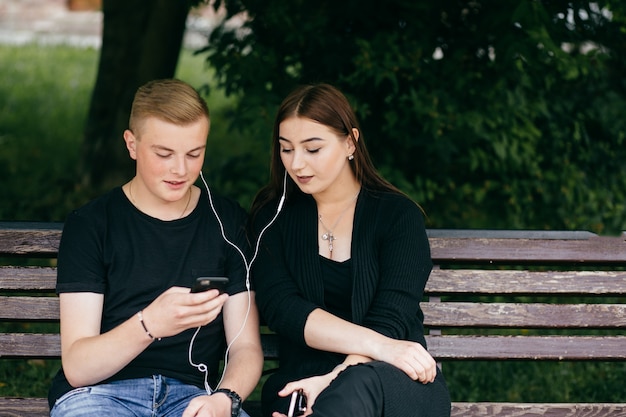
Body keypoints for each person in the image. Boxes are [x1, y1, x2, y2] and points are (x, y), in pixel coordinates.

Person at [48, 79, 263, 417]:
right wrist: (150, 324)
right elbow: (78, 367)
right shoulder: (92, 224)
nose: (180, 170)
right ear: (131, 145)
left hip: (193, 397)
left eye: (194, 154)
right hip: (100, 396)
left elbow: (246, 347)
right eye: (164, 154)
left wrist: (224, 399)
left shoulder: (227, 222)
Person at [248, 83, 451, 417]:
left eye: (312, 149)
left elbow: (392, 318)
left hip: (391, 380)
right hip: (301, 382)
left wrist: (335, 378)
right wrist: (377, 347)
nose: (297, 164)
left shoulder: (398, 217)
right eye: (286, 149)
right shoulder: (273, 219)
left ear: (349, 142)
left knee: (356, 388)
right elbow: (283, 309)